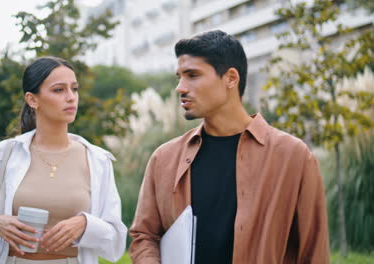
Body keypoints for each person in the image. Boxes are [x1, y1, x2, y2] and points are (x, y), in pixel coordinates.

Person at [129, 30, 329, 263]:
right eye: (179, 77)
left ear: (231, 78)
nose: (180, 88)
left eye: (192, 75)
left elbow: (313, 251)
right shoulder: (164, 158)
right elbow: (145, 235)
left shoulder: (292, 156)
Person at [0, 57, 127, 264]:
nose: (71, 97)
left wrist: (84, 224)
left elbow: (116, 242)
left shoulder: (97, 160)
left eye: (74, 89)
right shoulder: (4, 154)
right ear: (32, 99)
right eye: (59, 90)